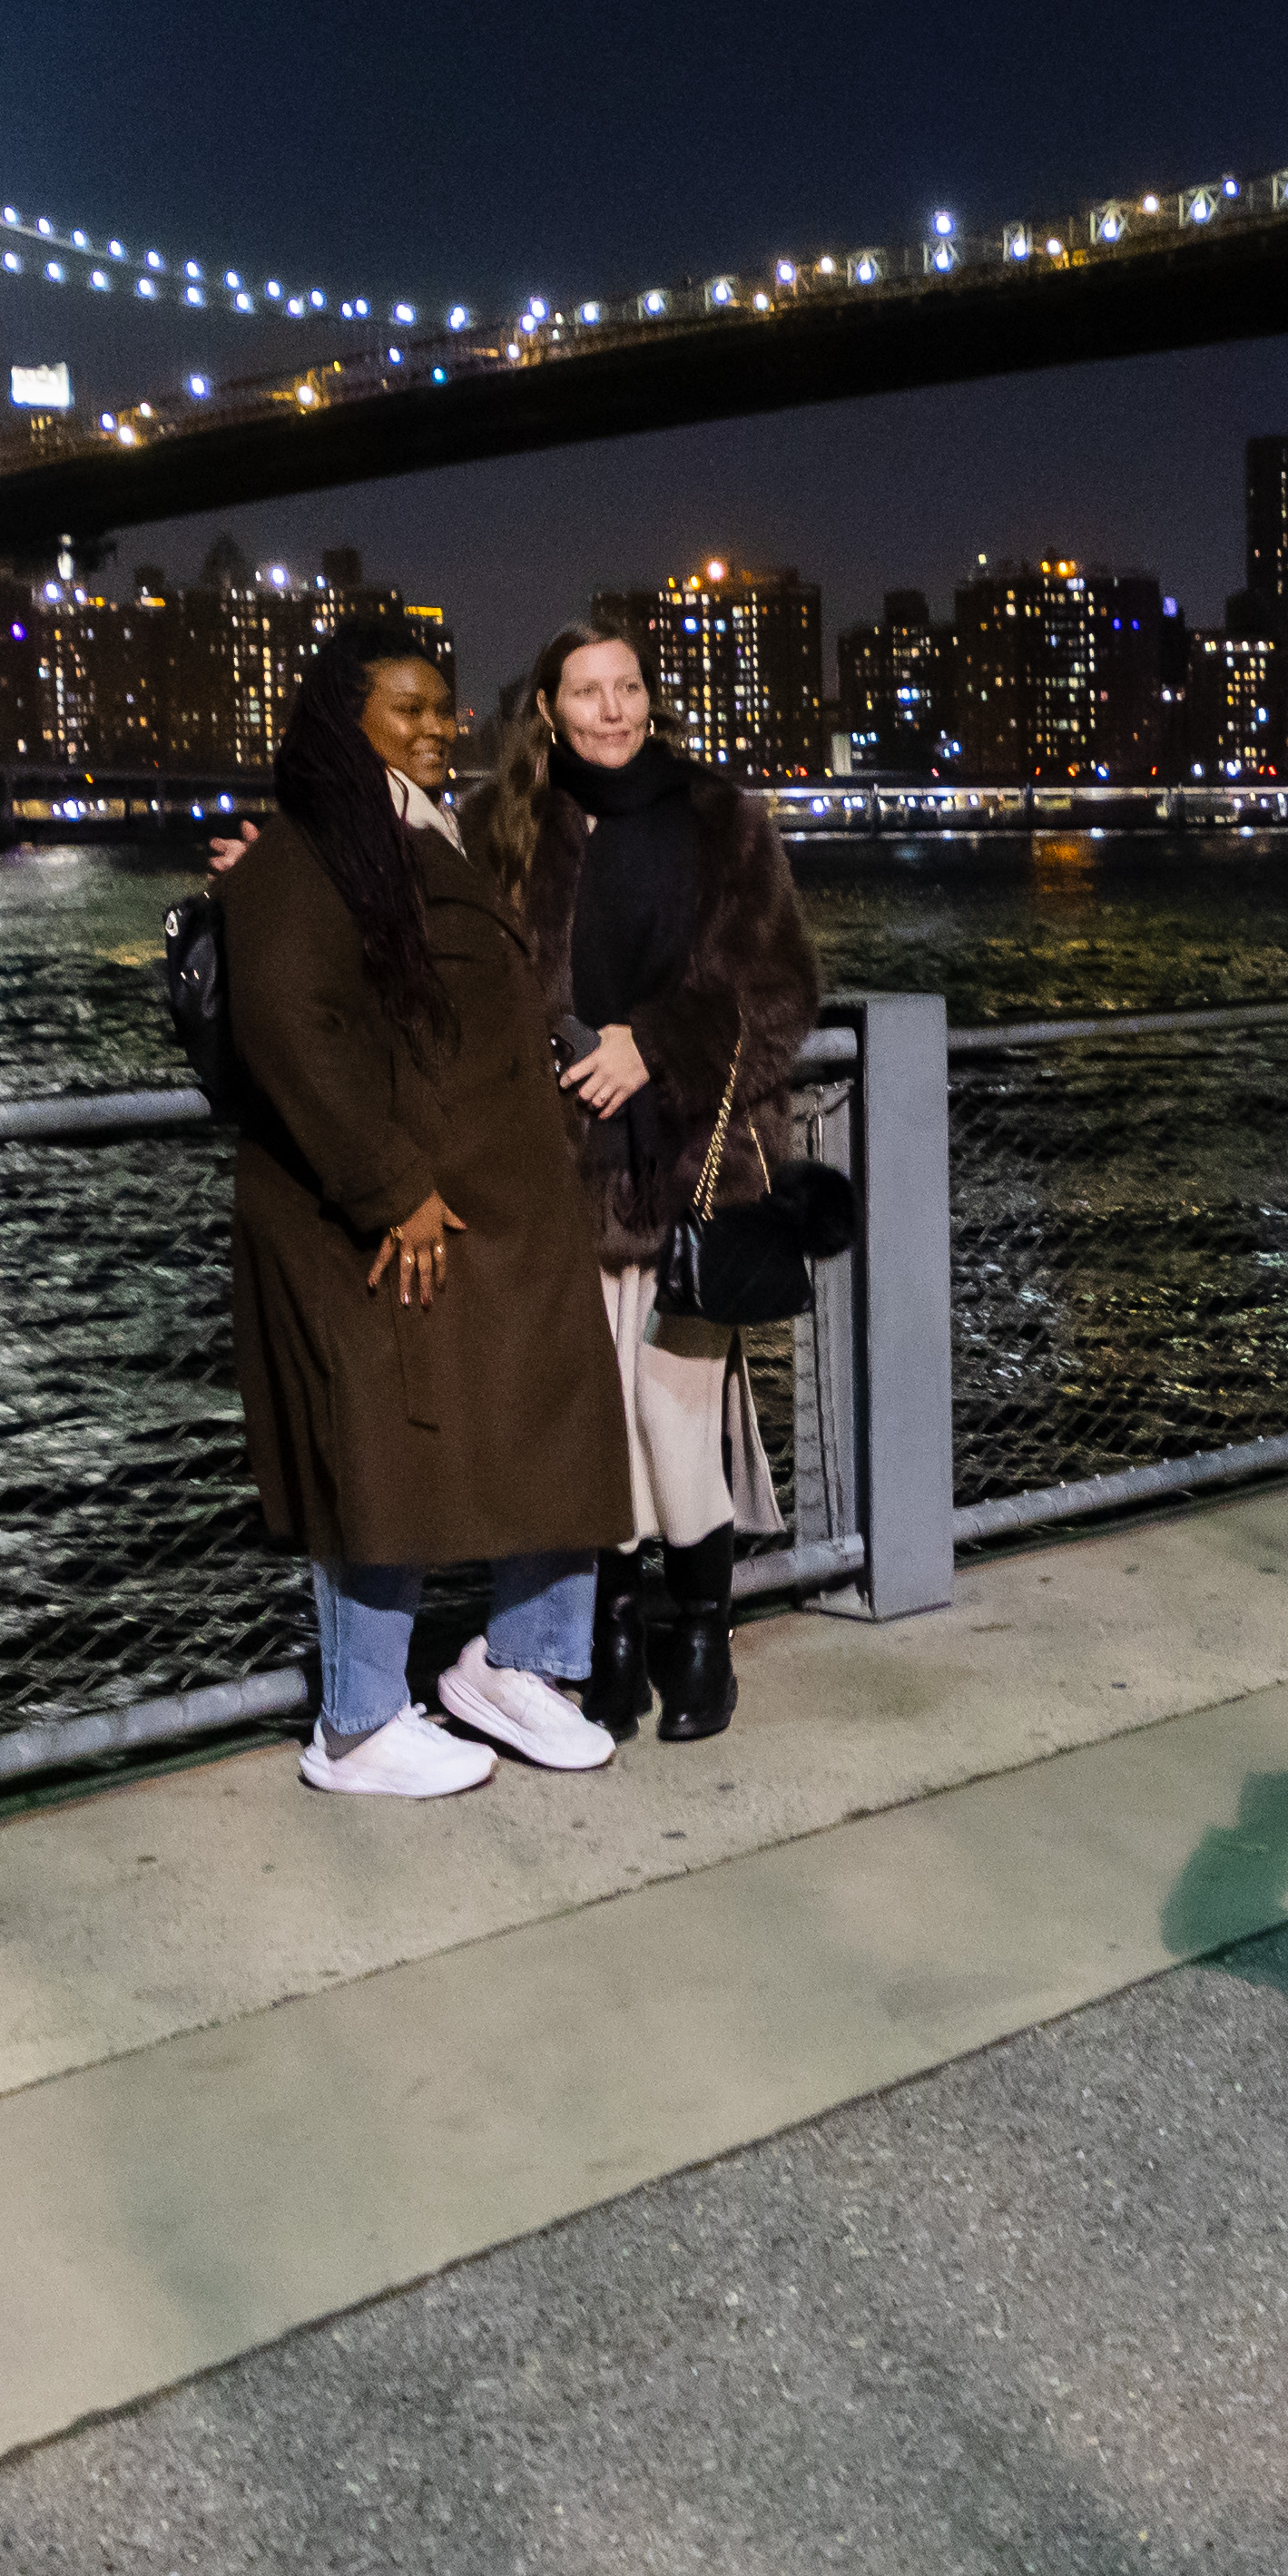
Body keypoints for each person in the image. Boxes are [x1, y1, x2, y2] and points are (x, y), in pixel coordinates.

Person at [219, 633, 635, 1797]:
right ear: (343, 721)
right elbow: (293, 1027)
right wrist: (390, 1185)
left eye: (447, 709)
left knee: (552, 1414)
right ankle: (354, 1724)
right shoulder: (308, 847)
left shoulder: (423, 828)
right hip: (387, 1216)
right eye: (407, 709)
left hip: (499, 1204)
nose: (438, 727)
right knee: (383, 1454)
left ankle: (525, 1666)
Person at [479, 624, 821, 1744]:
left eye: (629, 687)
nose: (613, 710)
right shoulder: (508, 829)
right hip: (561, 1179)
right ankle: (614, 1640)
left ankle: (704, 1641)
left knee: (674, 1418)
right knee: (604, 1428)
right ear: (547, 706)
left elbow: (780, 996)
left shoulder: (722, 820)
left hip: (687, 1174)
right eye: (588, 690)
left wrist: (650, 1044)